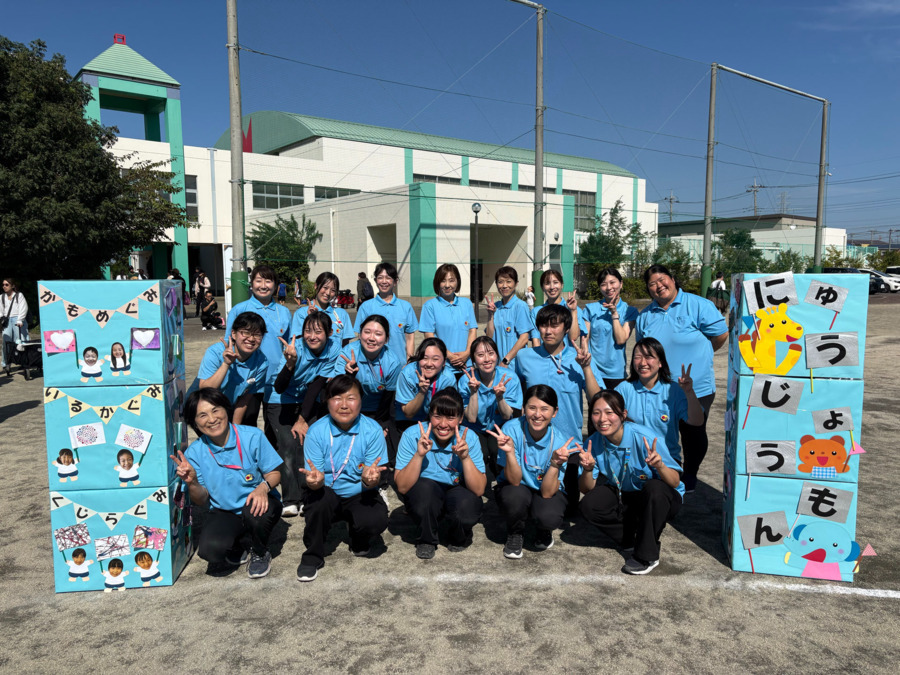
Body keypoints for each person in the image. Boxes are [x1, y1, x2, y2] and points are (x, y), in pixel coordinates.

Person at [635, 264, 728, 492]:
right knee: (664, 431)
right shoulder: (645, 315)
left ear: (673, 279)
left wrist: (701, 356)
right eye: (652, 284)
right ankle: (669, 471)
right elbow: (642, 349)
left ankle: (691, 473)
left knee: (693, 431)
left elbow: (720, 335)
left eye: (662, 279)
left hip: (696, 386)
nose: (659, 286)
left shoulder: (698, 305)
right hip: (660, 387)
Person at [175, 389, 283, 579]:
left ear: (226, 409)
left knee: (255, 514)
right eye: (202, 415)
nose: (212, 419)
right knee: (210, 551)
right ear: (195, 423)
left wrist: (262, 488)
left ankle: (259, 552)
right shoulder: (195, 452)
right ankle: (239, 542)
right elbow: (201, 500)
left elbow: (274, 473)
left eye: (216, 410)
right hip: (225, 510)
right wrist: (191, 482)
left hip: (258, 503)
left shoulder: (252, 436)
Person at [577, 390, 684, 575]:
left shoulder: (644, 438)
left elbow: (675, 482)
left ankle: (646, 555)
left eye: (610, 412)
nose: (603, 419)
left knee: (655, 488)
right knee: (589, 505)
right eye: (596, 412)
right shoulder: (594, 443)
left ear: (623, 415)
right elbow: (586, 489)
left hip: (660, 498)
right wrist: (587, 469)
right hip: (625, 493)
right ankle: (631, 536)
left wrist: (660, 466)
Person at [295, 376, 390, 582]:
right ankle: (313, 555)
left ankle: (358, 538)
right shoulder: (317, 431)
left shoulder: (372, 430)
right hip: (326, 490)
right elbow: (315, 476)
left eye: (351, 398)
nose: (344, 405)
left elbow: (372, 477)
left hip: (359, 492)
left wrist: (370, 481)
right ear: (327, 401)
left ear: (361, 401)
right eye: (337, 398)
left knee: (375, 519)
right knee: (319, 503)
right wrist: (315, 482)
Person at [515, 303, 600, 507]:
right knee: (528, 499)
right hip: (533, 442)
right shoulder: (524, 357)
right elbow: (518, 396)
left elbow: (597, 399)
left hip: (568, 445)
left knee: (568, 507)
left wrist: (586, 368)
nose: (548, 331)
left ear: (566, 328)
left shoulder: (579, 358)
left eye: (554, 326)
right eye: (543, 325)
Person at [395, 388, 486, 559]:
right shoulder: (412, 435)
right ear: (429, 415)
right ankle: (426, 539)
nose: (443, 424)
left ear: (460, 419)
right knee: (424, 495)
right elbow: (402, 486)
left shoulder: (470, 437)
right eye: (437, 416)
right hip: (427, 488)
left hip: (458, 488)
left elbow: (479, 490)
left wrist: (465, 458)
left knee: (466, 510)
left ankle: (459, 534)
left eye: (451, 417)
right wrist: (419, 454)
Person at [488, 384, 573, 559]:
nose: (537, 415)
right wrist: (510, 452)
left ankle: (543, 530)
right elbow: (514, 480)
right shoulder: (511, 429)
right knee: (514, 497)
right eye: (532, 408)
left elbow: (548, 492)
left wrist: (555, 464)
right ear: (523, 408)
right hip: (517, 486)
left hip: (545, 490)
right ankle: (515, 532)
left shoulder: (560, 441)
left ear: (554, 412)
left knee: (548, 516)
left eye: (545, 409)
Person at [272, 312, 341, 517]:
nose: (312, 336)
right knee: (288, 444)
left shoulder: (333, 349)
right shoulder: (295, 349)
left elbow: (317, 385)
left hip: (305, 401)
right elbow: (278, 387)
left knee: (308, 442)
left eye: (318, 332)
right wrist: (290, 363)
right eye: (308, 331)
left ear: (329, 333)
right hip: (280, 401)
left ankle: (307, 495)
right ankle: (291, 499)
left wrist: (302, 419)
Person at [615, 338, 704, 467]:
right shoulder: (624, 388)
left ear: (660, 362)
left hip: (666, 460)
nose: (642, 362)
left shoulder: (674, 390)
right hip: (632, 460)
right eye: (637, 357)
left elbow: (697, 421)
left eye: (649, 357)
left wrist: (689, 392)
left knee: (655, 488)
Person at [225, 265, 293, 431]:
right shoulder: (239, 309)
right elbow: (228, 344)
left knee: (275, 429)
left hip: (276, 378)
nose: (263, 285)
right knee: (247, 425)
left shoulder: (283, 312)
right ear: (251, 284)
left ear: (275, 285)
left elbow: (290, 345)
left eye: (268, 281)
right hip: (247, 379)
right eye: (258, 280)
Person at [330, 314, 402, 464]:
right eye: (367, 332)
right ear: (360, 333)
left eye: (378, 334)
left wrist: (380, 424)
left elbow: (388, 397)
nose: (371, 338)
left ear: (386, 338)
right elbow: (335, 392)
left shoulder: (392, 361)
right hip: (349, 409)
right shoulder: (347, 354)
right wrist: (348, 376)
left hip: (377, 411)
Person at [458, 335, 522, 476]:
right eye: (480, 355)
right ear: (473, 360)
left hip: (500, 427)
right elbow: (472, 418)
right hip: (474, 428)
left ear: (497, 355)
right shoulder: (465, 380)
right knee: (479, 450)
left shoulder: (509, 378)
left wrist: (500, 397)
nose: (487, 359)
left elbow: (507, 416)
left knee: (495, 448)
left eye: (491, 354)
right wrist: (473, 392)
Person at [198, 312, 268, 424]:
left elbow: (245, 399)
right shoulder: (215, 353)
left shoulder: (261, 362)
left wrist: (236, 428)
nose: (251, 339)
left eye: (257, 334)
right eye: (245, 333)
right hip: (203, 406)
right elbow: (205, 391)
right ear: (234, 334)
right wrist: (226, 364)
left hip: (229, 407)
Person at [583, 268, 638, 391]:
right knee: (595, 408)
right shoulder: (591, 309)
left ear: (621, 283)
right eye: (603, 284)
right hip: (594, 371)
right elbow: (584, 339)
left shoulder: (630, 311)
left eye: (612, 282)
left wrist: (614, 314)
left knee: (615, 409)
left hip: (616, 372)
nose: (608, 287)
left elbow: (621, 339)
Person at [354, 262, 418, 363]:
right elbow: (360, 337)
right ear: (375, 280)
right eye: (380, 277)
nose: (384, 281)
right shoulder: (366, 307)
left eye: (388, 278)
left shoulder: (406, 307)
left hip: (399, 365)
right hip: (372, 365)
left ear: (395, 281)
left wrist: (409, 362)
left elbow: (410, 337)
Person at [419, 263, 477, 375]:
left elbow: (472, 330)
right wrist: (450, 356)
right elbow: (430, 337)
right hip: (443, 367)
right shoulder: (430, 306)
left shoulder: (466, 303)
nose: (447, 285)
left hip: (467, 366)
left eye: (451, 280)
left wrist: (467, 353)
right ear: (437, 283)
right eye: (443, 281)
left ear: (457, 282)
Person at [395, 337, 458, 429]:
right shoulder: (407, 374)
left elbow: (448, 411)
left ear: (444, 362)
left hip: (435, 422)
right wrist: (422, 391)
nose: (429, 364)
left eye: (435, 359)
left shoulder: (448, 378)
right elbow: (408, 413)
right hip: (407, 422)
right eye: (424, 358)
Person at [484, 266, 533, 367]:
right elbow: (489, 337)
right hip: (497, 365)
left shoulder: (520, 306)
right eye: (500, 282)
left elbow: (524, 338)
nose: (504, 286)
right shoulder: (495, 306)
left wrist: (506, 360)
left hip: (514, 366)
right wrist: (490, 315)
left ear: (516, 283)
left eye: (509, 281)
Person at [291, 271, 356, 347]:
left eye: (333, 290)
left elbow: (345, 345)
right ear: (316, 286)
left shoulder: (342, 314)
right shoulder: (301, 313)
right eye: (325, 288)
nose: (328, 293)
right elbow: (299, 345)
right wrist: (311, 318)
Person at [529, 269, 584, 348]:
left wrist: (573, 311)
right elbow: (536, 340)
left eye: (555, 282)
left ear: (562, 285)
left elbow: (573, 337)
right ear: (542, 287)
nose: (552, 287)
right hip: (544, 358)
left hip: (567, 358)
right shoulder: (536, 311)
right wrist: (539, 359)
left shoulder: (574, 309)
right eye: (547, 283)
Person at [1, 278, 29, 375]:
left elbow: (23, 307)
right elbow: (0, 310)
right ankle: (5, 363)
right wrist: (1, 320)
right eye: (3, 284)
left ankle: (24, 362)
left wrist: (20, 319)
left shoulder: (19, 295)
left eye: (6, 284)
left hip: (18, 319)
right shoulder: (1, 297)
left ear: (12, 286)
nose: (4, 286)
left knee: (21, 341)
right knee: (6, 342)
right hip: (7, 320)